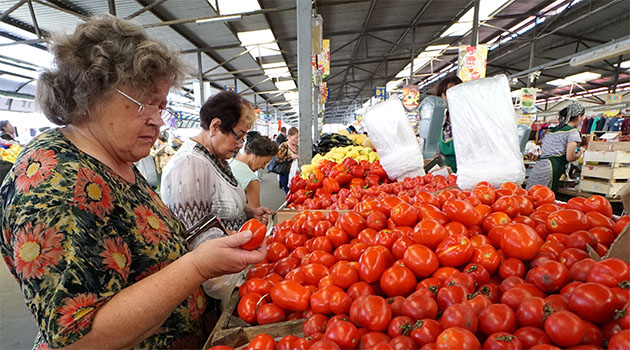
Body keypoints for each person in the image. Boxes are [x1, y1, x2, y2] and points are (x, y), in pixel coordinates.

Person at [0, 16, 265, 350]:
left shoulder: (114, 157)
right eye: (145, 103)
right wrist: (197, 266)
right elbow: (79, 339)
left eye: (161, 105)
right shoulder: (52, 182)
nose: (157, 120)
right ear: (92, 93)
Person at [160, 91, 273, 231]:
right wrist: (238, 237)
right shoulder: (190, 164)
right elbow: (195, 234)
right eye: (238, 136)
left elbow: (217, 204)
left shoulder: (217, 158)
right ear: (215, 126)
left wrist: (249, 211)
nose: (239, 144)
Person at [527, 102, 586, 193]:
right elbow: (570, 156)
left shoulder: (551, 131)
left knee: (530, 195)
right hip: (551, 169)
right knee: (544, 198)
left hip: (538, 167)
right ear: (579, 116)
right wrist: (580, 152)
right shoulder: (572, 132)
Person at [230, 134, 278, 207]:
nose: (263, 167)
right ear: (254, 156)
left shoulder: (229, 163)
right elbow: (255, 213)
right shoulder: (251, 180)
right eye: (264, 162)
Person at [436, 75, 463, 173]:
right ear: (442, 96)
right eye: (448, 93)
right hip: (448, 179)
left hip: (468, 176)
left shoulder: (468, 121)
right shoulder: (440, 123)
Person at [276, 127, 299, 193]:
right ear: (289, 136)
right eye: (296, 137)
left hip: (295, 173)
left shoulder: (297, 147)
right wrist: (290, 157)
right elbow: (278, 158)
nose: (297, 139)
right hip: (285, 172)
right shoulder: (283, 145)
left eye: (298, 137)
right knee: (288, 191)